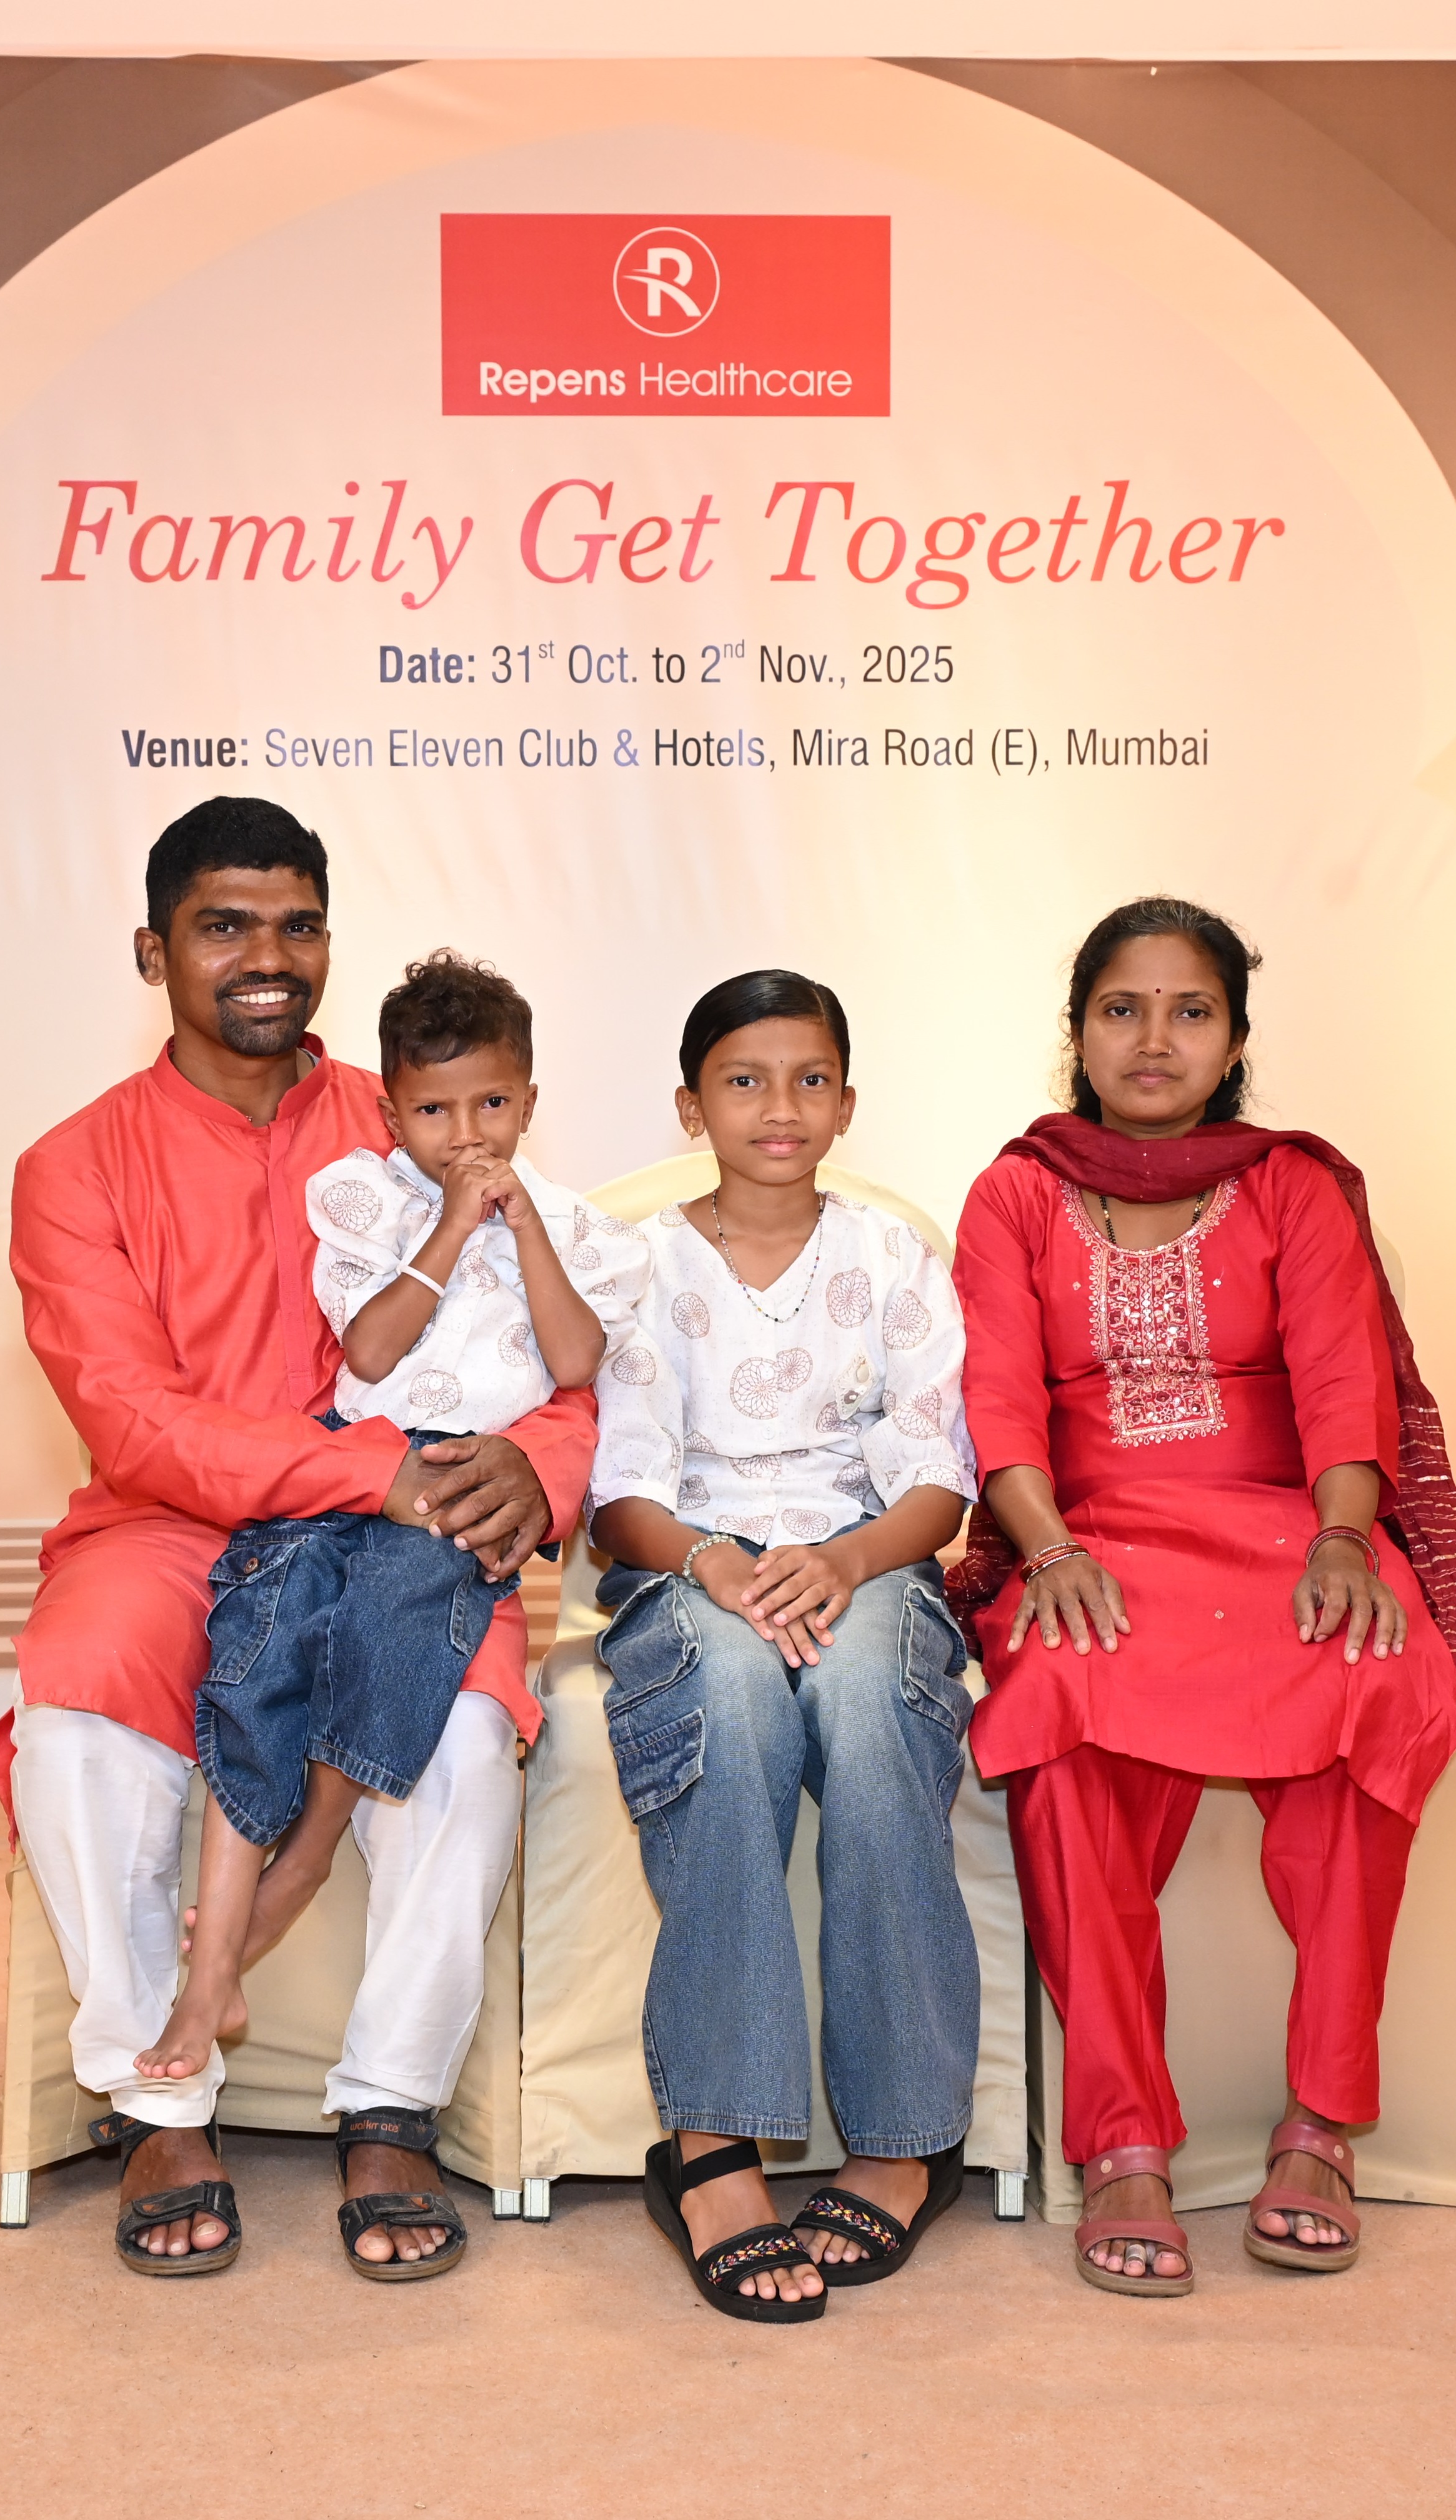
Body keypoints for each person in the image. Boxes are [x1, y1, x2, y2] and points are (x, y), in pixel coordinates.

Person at [0, 798, 598, 2280]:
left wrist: (534, 1473)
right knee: (76, 1708)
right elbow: (136, 1421)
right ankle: (160, 2096)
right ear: (154, 953)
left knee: (464, 1740)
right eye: (224, 926)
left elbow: (565, 1353)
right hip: (171, 1528)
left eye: (297, 925)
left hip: (414, 1525)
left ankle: (389, 2105)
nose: (267, 956)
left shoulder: (421, 1116)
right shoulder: (76, 1167)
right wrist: (368, 1474)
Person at [949, 896, 1456, 2299]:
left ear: (1233, 1041)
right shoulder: (1016, 1193)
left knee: (1367, 1672)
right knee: (1056, 1695)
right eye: (1122, 1009)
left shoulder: (1292, 1186)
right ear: (1079, 1033)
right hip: (1089, 1537)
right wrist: (1047, 1552)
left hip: (1291, 1532)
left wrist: (1347, 1540)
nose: (1154, 1039)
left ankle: (1321, 2124)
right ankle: (1122, 2142)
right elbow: (997, 1400)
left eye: (1191, 1011)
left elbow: (1343, 1379)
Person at [134, 957, 646, 2194]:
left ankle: (306, 1859)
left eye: (492, 1107)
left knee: (387, 1638)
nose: (465, 1136)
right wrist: (448, 1227)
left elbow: (578, 1362)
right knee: (258, 1647)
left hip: (457, 1486)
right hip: (352, 1469)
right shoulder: (363, 1200)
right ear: (390, 1110)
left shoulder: (576, 1226)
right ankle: (214, 1970)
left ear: (530, 1103)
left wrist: (522, 1230)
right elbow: (366, 1352)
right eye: (433, 1110)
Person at [588, 970, 980, 2324]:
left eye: (810, 1080)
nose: (780, 1107)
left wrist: (848, 1561)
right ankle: (712, 2145)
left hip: (861, 1558)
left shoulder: (892, 1260)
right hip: (694, 1564)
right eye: (745, 1081)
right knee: (737, 1702)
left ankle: (903, 2141)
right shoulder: (636, 1265)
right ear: (690, 1105)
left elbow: (937, 1481)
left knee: (870, 1711)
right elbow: (620, 1491)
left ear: (848, 1104)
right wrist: (715, 1561)